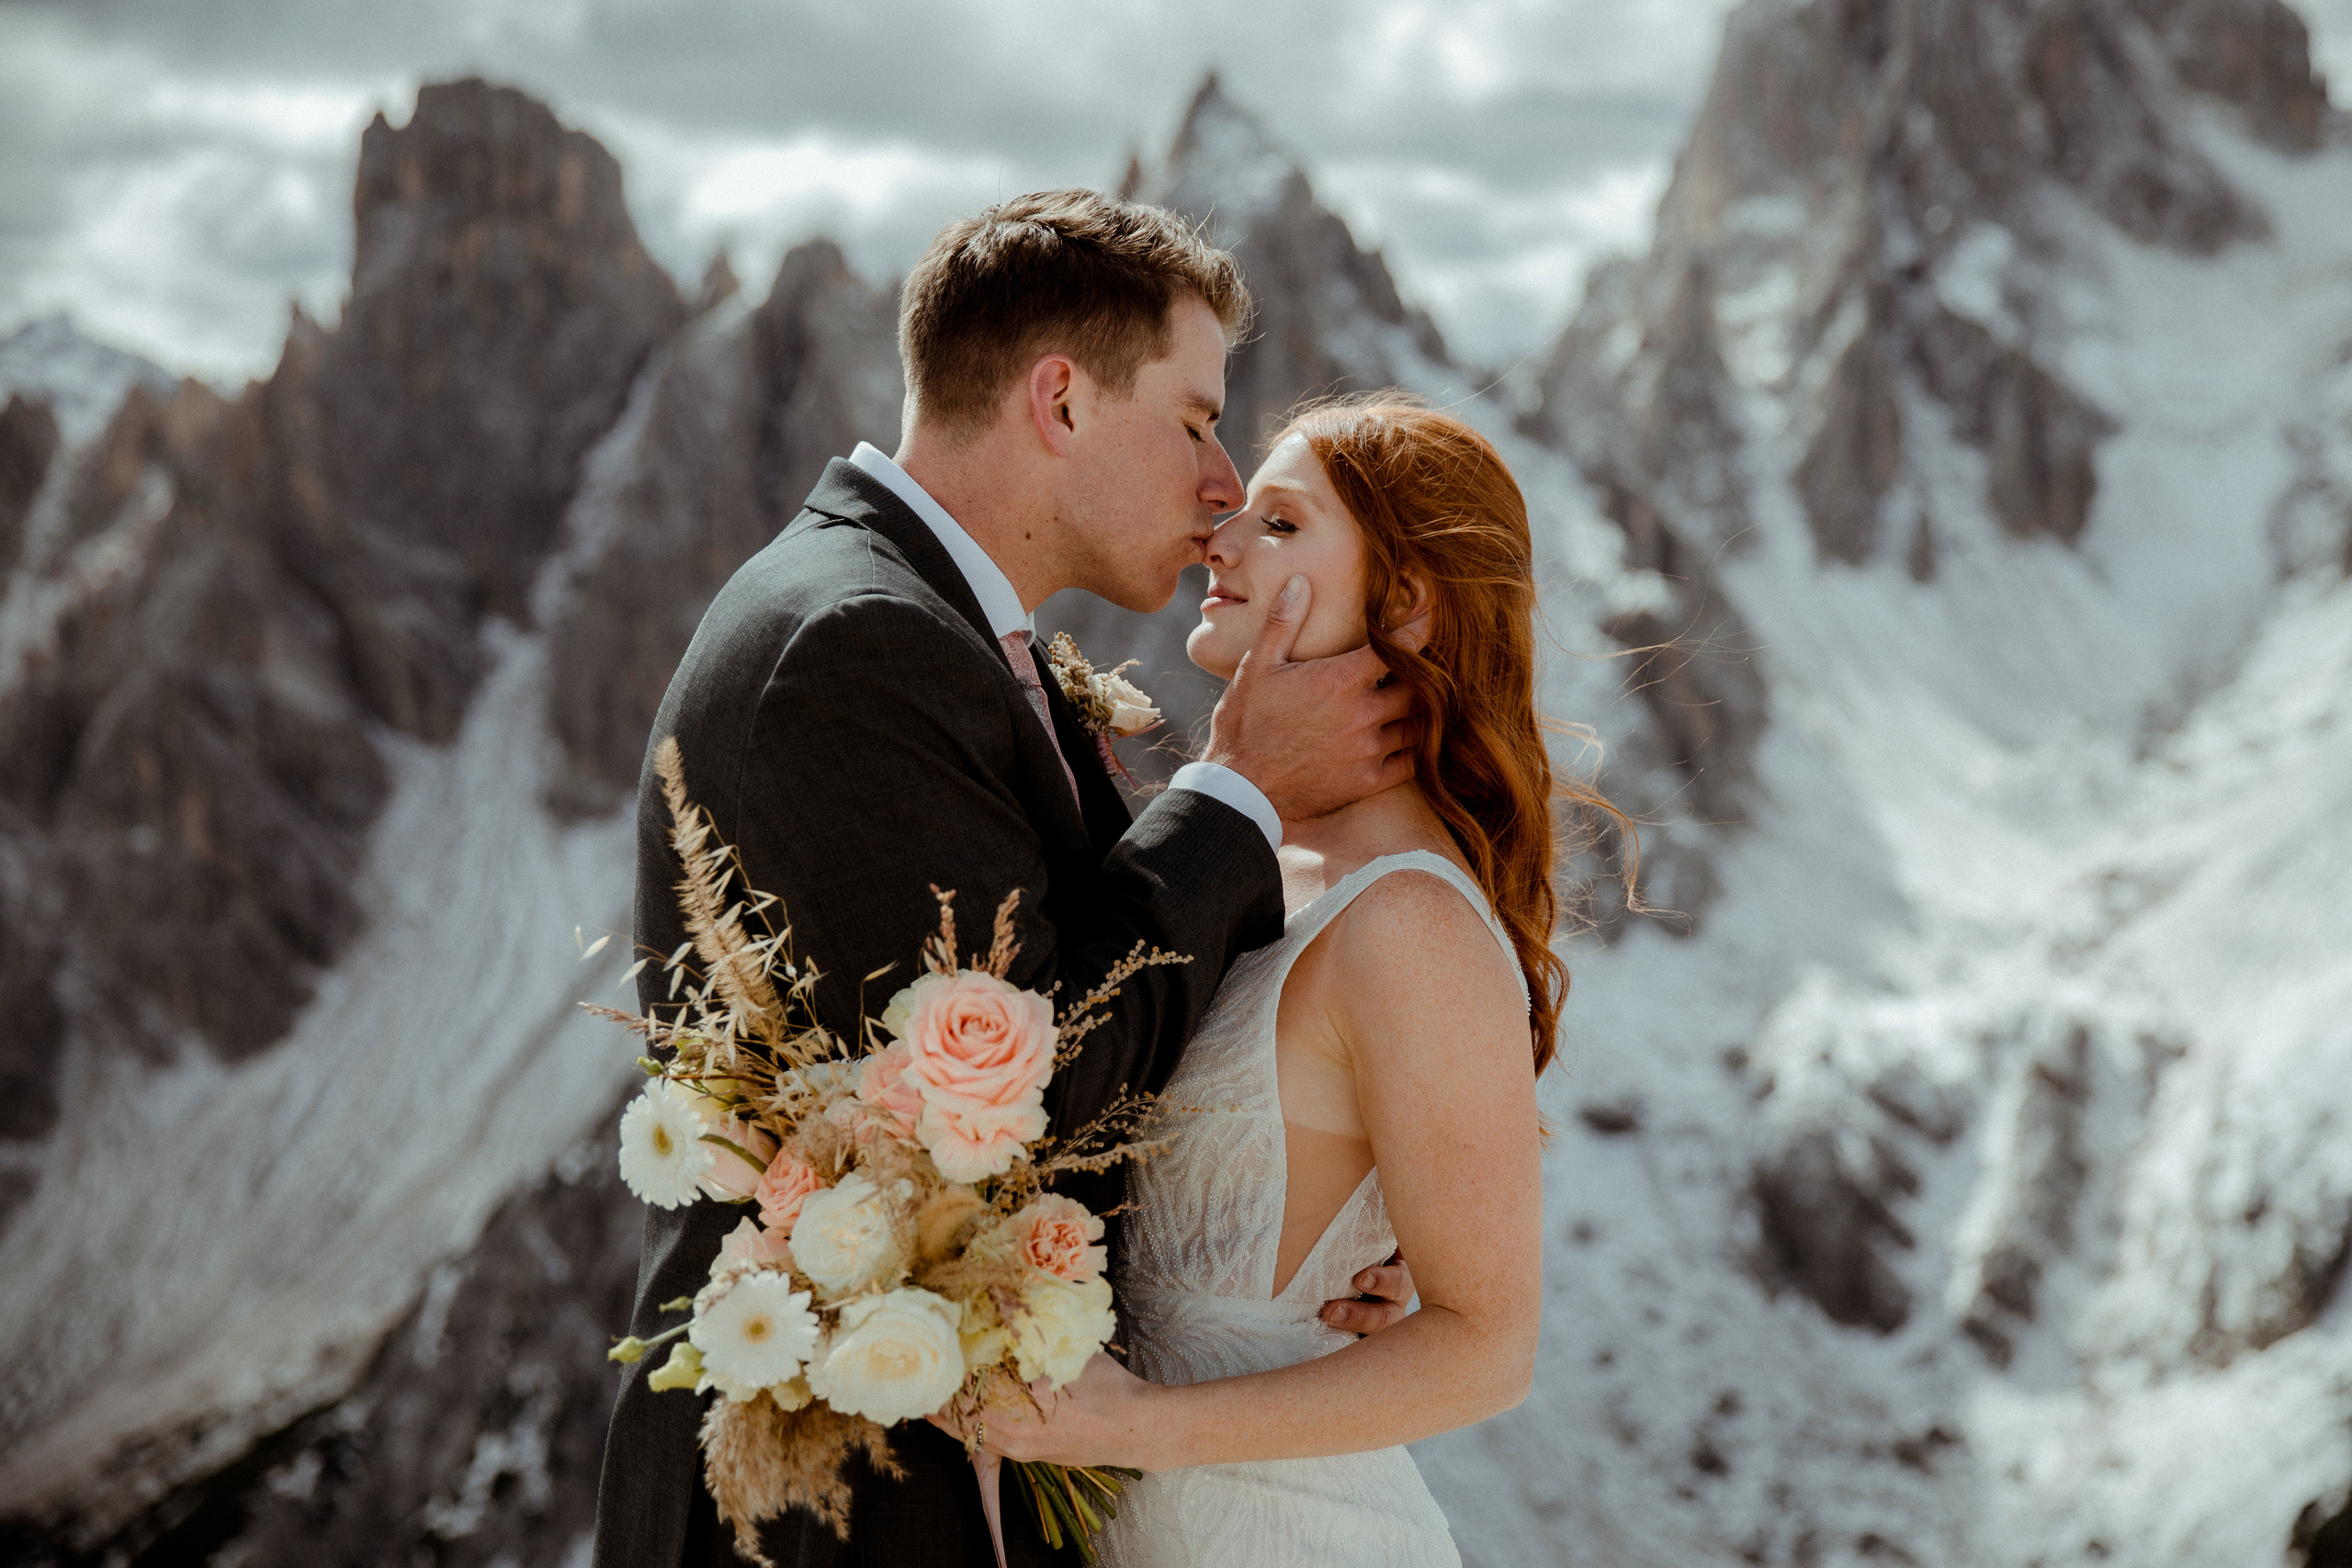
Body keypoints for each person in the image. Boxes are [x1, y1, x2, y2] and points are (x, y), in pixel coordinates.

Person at [592, 192, 1428, 1568]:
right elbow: (1021, 1098)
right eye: (1195, 418)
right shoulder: (852, 644)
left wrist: (1285, 1237)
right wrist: (1241, 787)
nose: (1222, 480)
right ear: (1060, 400)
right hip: (828, 1513)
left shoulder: (920, 626)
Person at [944, 398, 1621, 1566]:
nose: (1223, 538)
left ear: (1405, 603)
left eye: (1282, 522)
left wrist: (1140, 1426)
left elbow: (1486, 1344)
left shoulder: (1407, 917)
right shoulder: (1256, 858)